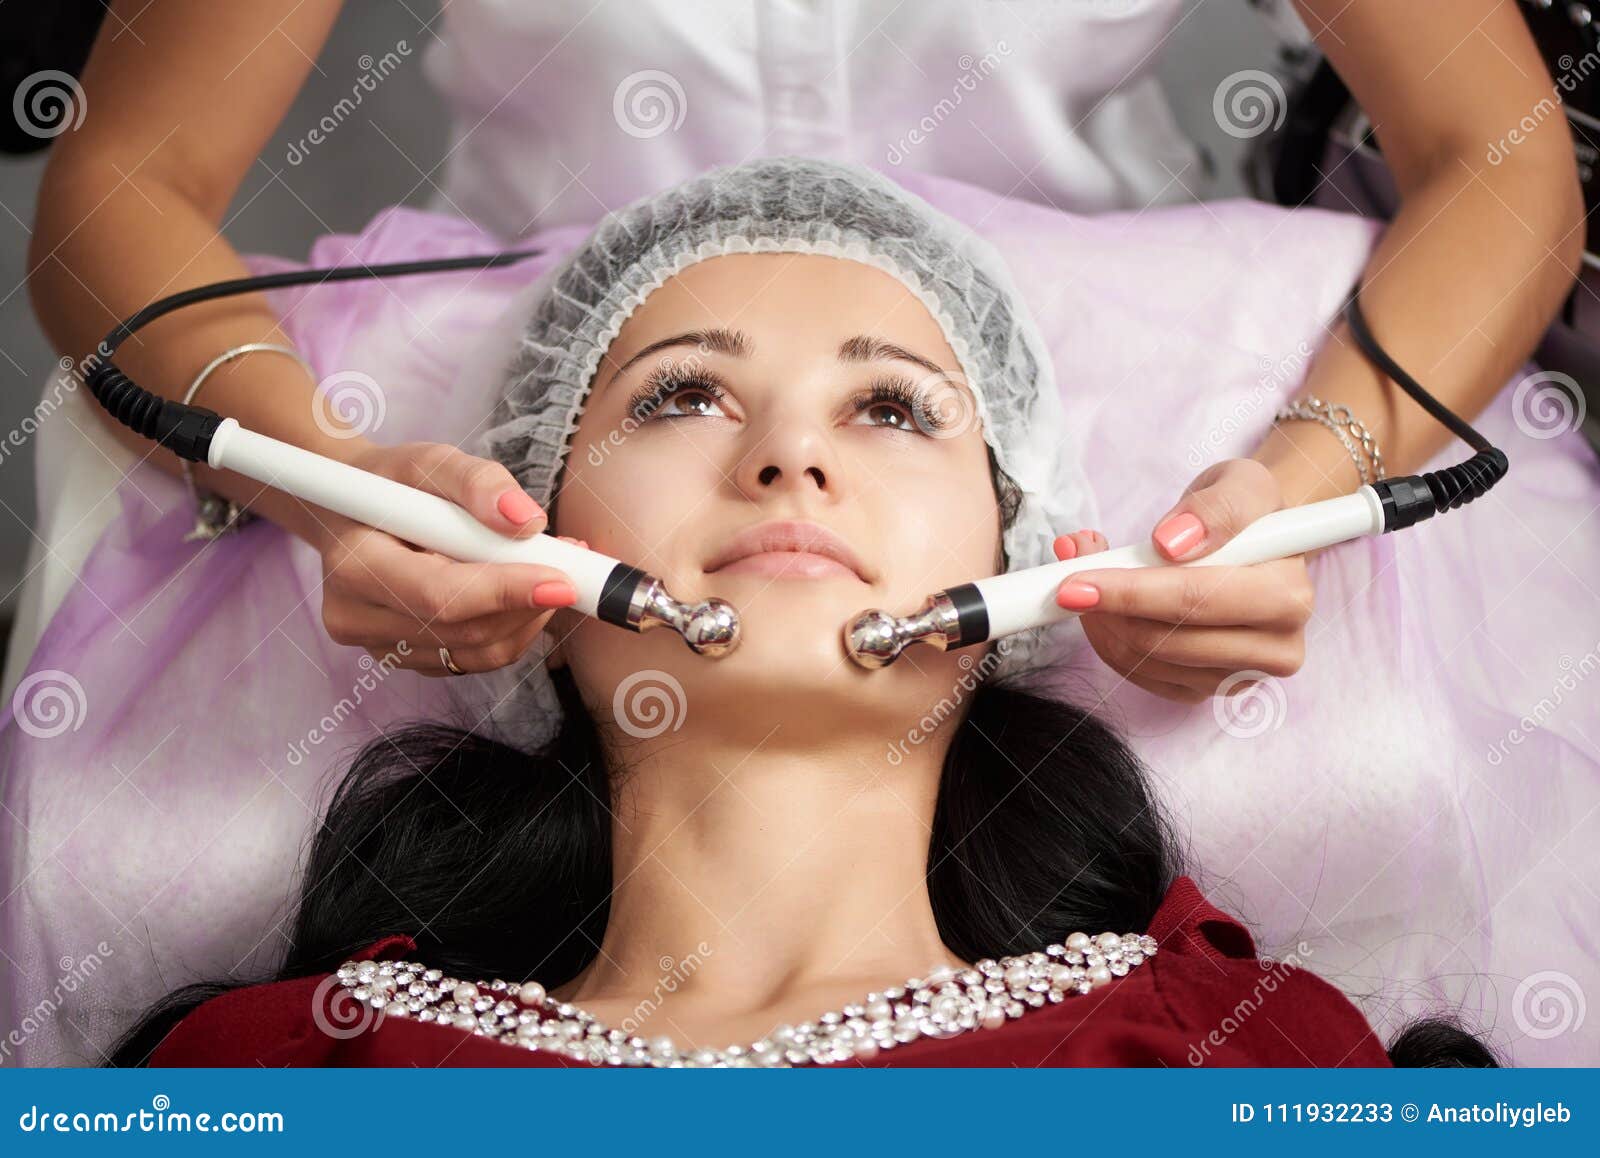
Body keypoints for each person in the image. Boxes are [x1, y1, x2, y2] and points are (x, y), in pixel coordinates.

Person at [108, 158, 1494, 1067]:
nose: (787, 457)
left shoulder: (1233, 1046)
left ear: (1020, 560)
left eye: (890, 407)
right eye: (681, 394)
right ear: (520, 540)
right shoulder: (283, 1062)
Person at [23, 0, 1583, 702]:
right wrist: (323, 476)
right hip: (490, 439)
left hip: (1148, 415)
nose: (793, 465)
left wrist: (1308, 480)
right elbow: (117, 193)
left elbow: (1499, 156)